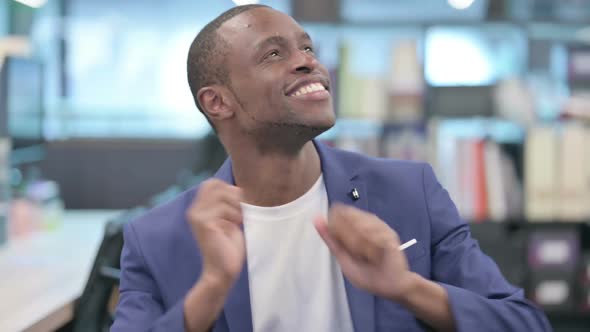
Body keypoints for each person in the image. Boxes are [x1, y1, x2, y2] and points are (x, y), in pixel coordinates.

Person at [111, 4, 551, 332]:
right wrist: (209, 292)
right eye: (272, 55)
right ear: (217, 101)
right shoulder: (155, 239)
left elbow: (523, 323)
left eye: (306, 47)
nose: (308, 61)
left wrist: (408, 288)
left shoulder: (409, 191)